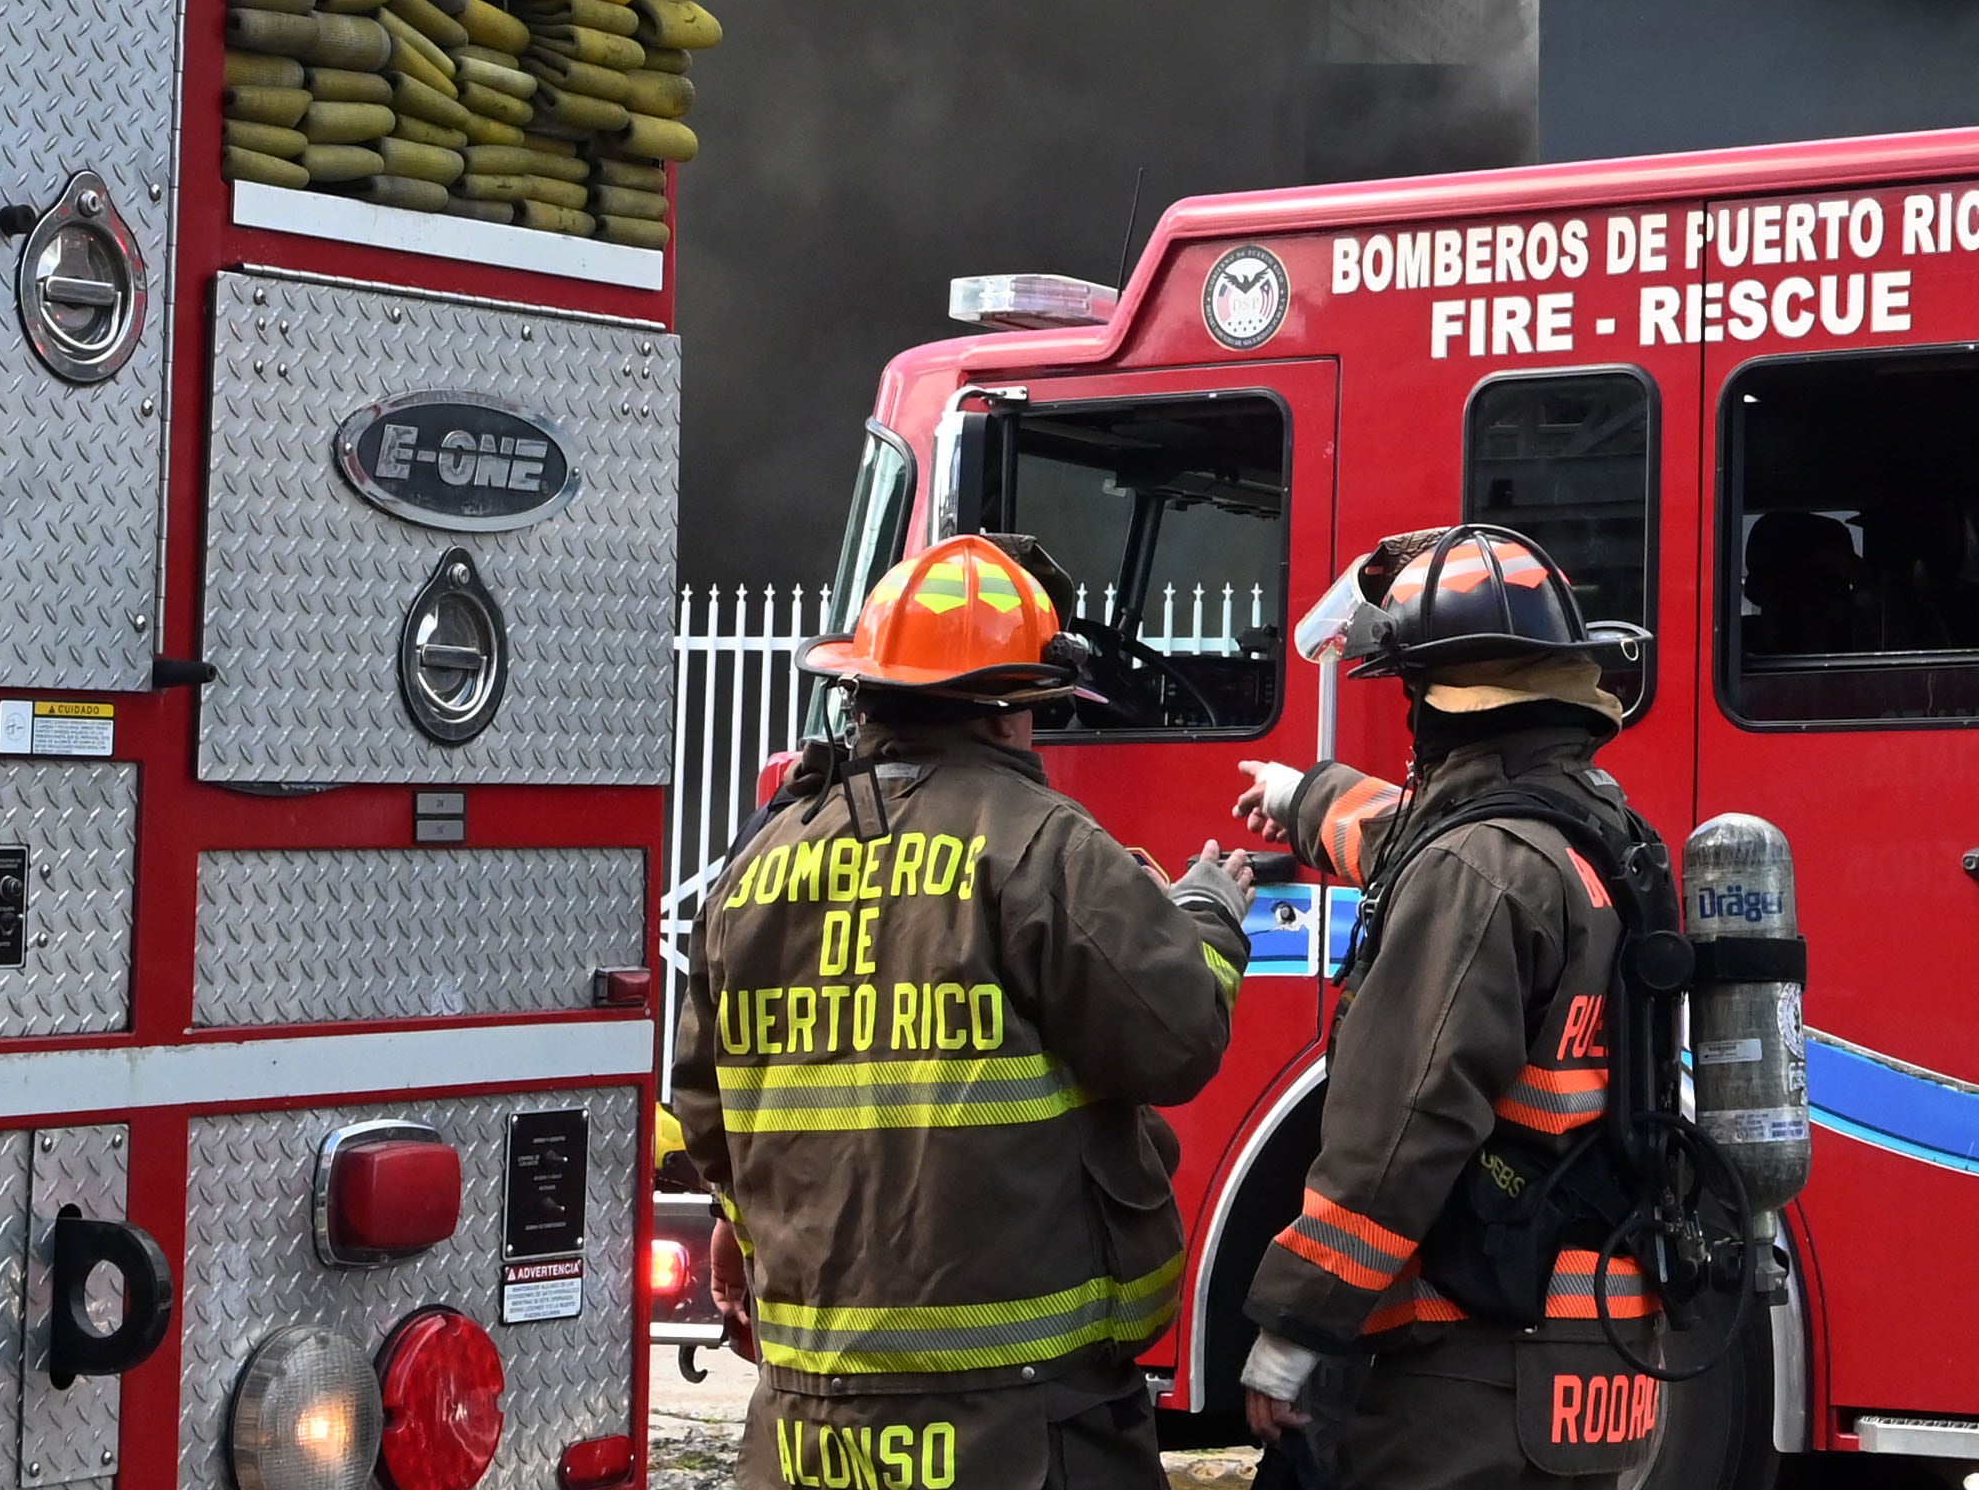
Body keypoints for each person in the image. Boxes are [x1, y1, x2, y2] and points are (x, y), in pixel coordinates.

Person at [673, 532, 1256, 1490]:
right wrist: (1206, 915)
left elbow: (711, 1113)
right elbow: (1177, 1036)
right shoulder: (1043, 845)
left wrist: (745, 1237)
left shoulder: (756, 865)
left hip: (809, 1427)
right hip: (1025, 1429)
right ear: (1007, 710)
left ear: (865, 693)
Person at [1230, 525, 1674, 1490]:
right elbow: (1416, 834)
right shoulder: (1598, 833)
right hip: (1590, 1356)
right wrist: (1304, 796)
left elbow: (1403, 1124)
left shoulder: (1475, 870)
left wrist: (1295, 1326)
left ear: (1437, 698)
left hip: (1465, 1369)